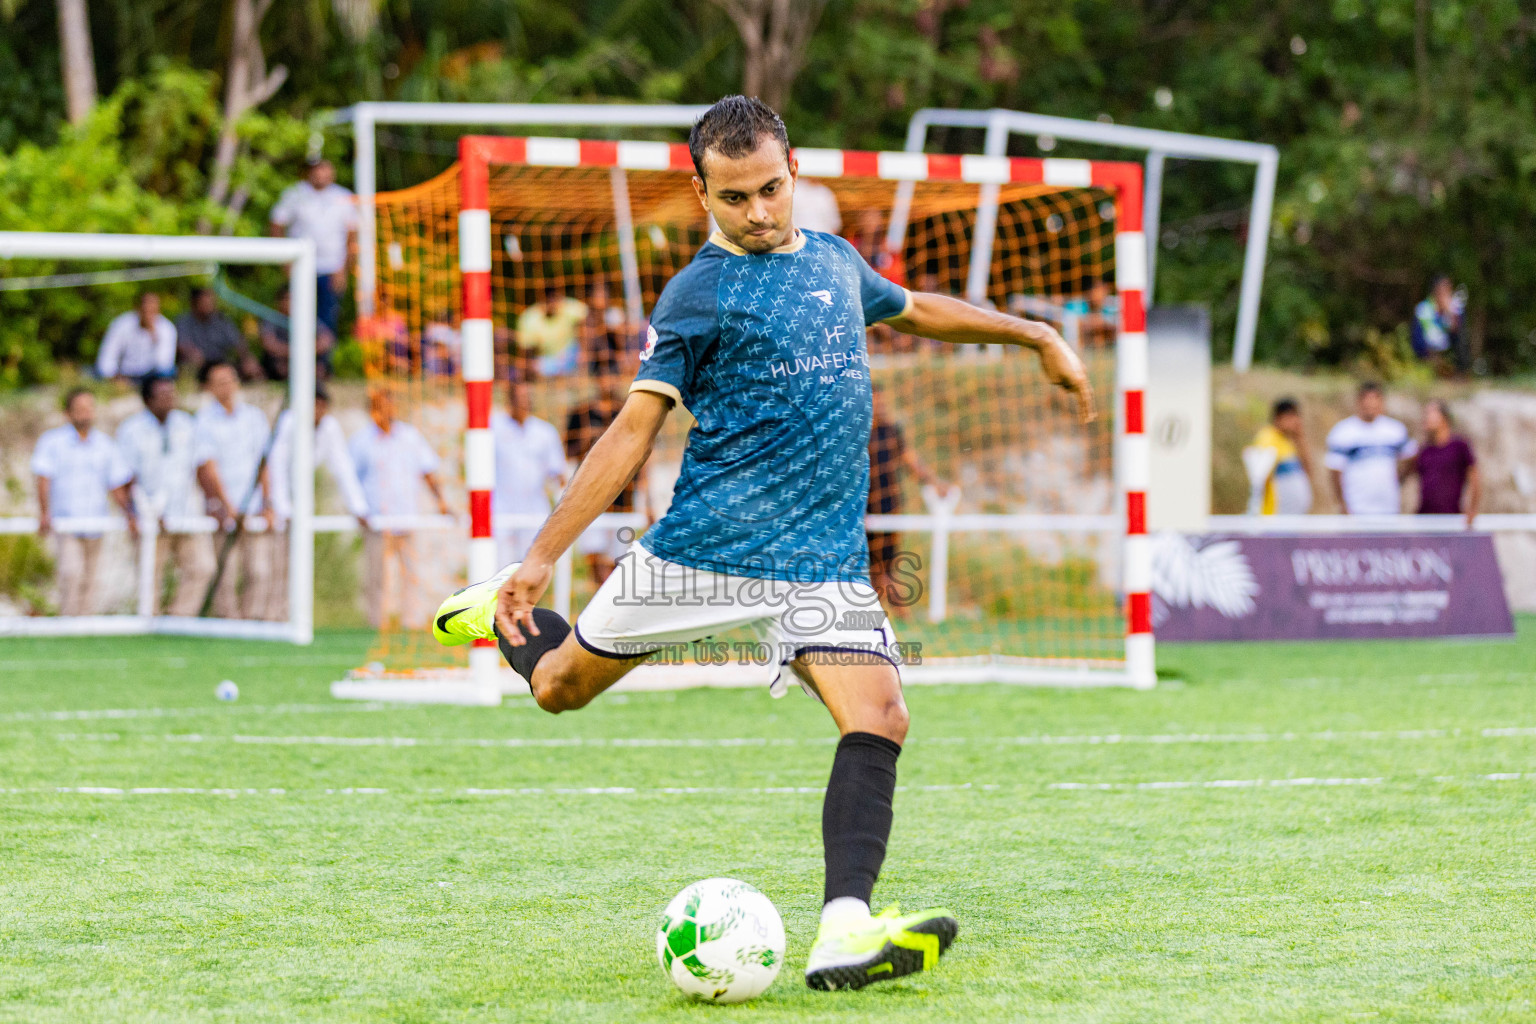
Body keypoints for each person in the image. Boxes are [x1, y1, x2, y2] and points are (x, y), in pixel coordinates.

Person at [430, 96, 1094, 990]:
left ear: (796, 172)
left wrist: (1033, 332)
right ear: (701, 191)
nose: (758, 212)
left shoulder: (834, 259)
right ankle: (500, 613)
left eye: (772, 190)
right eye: (734, 197)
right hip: (704, 550)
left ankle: (844, 932)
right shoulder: (696, 294)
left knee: (882, 715)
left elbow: (913, 308)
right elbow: (632, 432)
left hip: (818, 562)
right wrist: (544, 552)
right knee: (557, 690)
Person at [116, 375, 234, 616]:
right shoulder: (131, 430)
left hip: (185, 512)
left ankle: (180, 619)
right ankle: (149, 625)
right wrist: (133, 512)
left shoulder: (187, 424)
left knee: (202, 568)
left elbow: (202, 467)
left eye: (172, 394)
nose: (170, 400)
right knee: (150, 575)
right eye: (163, 395)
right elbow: (123, 477)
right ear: (148, 400)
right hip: (149, 516)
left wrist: (214, 502)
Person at [264, 384, 370, 619]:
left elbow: (342, 467)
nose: (319, 411)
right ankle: (271, 617)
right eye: (315, 405)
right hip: (277, 505)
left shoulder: (329, 427)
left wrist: (358, 507)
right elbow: (276, 467)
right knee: (275, 566)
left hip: (301, 506)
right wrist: (281, 507)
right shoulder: (289, 422)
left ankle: (290, 616)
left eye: (323, 406)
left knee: (298, 567)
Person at [349, 389, 452, 630]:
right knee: (377, 578)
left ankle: (411, 624)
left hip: (408, 520)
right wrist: (359, 509)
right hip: (376, 523)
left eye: (390, 405)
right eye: (381, 406)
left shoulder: (410, 436)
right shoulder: (361, 441)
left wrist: (442, 503)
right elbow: (351, 479)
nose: (387, 410)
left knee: (411, 575)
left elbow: (428, 471)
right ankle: (375, 624)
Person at [31, 388, 136, 615]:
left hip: (96, 522)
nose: (85, 414)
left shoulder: (105, 444)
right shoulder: (53, 442)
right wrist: (44, 512)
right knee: (71, 573)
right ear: (67, 413)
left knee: (92, 578)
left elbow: (116, 484)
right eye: (80, 409)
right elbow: (43, 479)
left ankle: (85, 625)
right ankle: (68, 623)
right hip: (66, 521)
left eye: (89, 408)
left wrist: (129, 514)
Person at [193, 361, 277, 619]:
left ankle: (254, 620)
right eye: (219, 382)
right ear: (209, 388)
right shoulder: (204, 420)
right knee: (225, 574)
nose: (226, 388)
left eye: (229, 380)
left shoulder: (253, 417)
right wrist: (225, 505)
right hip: (224, 509)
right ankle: (229, 621)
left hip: (252, 508)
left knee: (260, 570)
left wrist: (268, 502)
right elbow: (207, 466)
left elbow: (263, 462)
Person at [867, 388, 953, 616]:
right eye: (876, 402)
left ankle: (895, 614)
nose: (881, 406)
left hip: (890, 508)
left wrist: (933, 482)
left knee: (885, 567)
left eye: (883, 402)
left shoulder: (891, 432)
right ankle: (894, 614)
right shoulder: (858, 432)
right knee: (874, 568)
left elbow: (910, 461)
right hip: (863, 511)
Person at [564, 373, 649, 586]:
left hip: (624, 498)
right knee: (595, 559)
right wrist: (586, 440)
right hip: (591, 499)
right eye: (604, 376)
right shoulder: (581, 414)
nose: (608, 381)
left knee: (618, 562)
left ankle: (608, 607)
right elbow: (566, 451)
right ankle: (597, 603)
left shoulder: (629, 411)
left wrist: (648, 500)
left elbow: (646, 454)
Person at [269, 158, 357, 337]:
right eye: (317, 170)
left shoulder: (343, 196)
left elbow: (352, 236)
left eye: (325, 169)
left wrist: (345, 268)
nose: (321, 174)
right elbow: (277, 224)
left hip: (331, 269)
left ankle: (322, 363)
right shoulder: (295, 194)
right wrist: (285, 261)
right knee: (297, 317)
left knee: (327, 321)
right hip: (301, 268)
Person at [492, 375, 567, 566]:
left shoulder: (545, 432)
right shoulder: (493, 427)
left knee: (530, 568)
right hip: (501, 510)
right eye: (520, 398)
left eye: (528, 398)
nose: (525, 402)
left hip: (534, 511)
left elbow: (557, 471)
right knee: (500, 569)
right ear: (510, 400)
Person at [1325, 381, 1417, 515]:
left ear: (1381, 401)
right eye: (1367, 399)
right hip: (1357, 508)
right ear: (1359, 401)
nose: (1370, 403)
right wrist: (1342, 504)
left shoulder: (1395, 430)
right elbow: (1335, 471)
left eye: (1375, 399)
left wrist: (1399, 479)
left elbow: (1411, 456)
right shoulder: (1343, 432)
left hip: (1388, 508)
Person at [1408, 399, 1481, 527]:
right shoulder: (1423, 450)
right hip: (1424, 520)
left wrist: (1472, 509)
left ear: (1444, 417)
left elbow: (1475, 478)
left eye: (1430, 413)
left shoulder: (1459, 446)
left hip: (1451, 519)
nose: (1426, 417)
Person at [1244, 397, 1315, 515]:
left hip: (1293, 517)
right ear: (1279, 417)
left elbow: (1307, 471)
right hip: (1276, 515)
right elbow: (1259, 478)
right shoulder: (1267, 438)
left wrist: (1300, 438)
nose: (1296, 421)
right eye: (1291, 417)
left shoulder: (1288, 441)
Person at [259, 286, 336, 382]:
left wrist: (305, 351)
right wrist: (296, 352)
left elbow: (327, 339)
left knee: (322, 361)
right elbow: (269, 343)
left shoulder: (306, 318)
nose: (290, 303)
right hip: (282, 361)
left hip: (305, 359)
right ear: (279, 301)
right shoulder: (272, 319)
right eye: (287, 299)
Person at [96, 291, 176, 382]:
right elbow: (107, 355)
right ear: (138, 308)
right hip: (125, 375)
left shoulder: (166, 329)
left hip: (152, 377)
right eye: (145, 309)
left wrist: (154, 338)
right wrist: (111, 376)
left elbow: (164, 364)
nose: (148, 314)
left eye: (152, 310)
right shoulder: (121, 324)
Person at [175, 287, 251, 376]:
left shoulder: (221, 320)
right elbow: (180, 344)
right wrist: (192, 353)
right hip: (198, 365)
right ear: (194, 303)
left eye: (211, 301)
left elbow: (237, 341)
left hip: (220, 363)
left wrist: (247, 358)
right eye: (204, 302)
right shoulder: (184, 322)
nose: (209, 305)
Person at [516, 286, 587, 378]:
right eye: (548, 299)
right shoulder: (529, 318)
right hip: (546, 360)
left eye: (554, 298)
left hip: (571, 354)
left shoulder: (570, 307)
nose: (552, 303)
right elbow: (525, 350)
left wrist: (584, 350)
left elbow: (589, 320)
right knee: (533, 365)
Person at [1411, 275, 1465, 369]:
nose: (1445, 294)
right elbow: (1417, 339)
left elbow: (1457, 335)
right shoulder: (1423, 309)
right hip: (1426, 355)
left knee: (1461, 334)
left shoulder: (1455, 309)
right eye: (1442, 290)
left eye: (1448, 290)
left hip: (1447, 355)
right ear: (1435, 291)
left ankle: (1460, 370)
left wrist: (1449, 313)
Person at [579, 280, 630, 378]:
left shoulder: (616, 314)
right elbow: (585, 349)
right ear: (591, 298)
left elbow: (622, 344)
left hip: (614, 358)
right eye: (598, 294)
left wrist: (610, 329)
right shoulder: (586, 320)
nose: (602, 297)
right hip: (595, 362)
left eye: (604, 294)